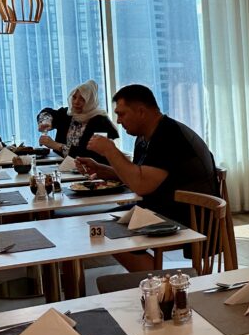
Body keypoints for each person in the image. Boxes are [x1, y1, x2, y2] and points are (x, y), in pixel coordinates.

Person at [77, 84, 218, 271]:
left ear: (141, 112)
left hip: (191, 216)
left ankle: (161, 284)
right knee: (101, 226)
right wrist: (103, 169)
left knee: (107, 231)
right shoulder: (145, 137)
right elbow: (139, 174)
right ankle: (157, 281)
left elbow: (141, 185)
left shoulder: (168, 136)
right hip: (166, 207)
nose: (118, 121)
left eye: (122, 114)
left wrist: (110, 150)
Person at [36, 80, 118, 161]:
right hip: (63, 168)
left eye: (82, 99)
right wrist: (45, 122)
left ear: (91, 102)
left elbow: (93, 155)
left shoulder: (101, 122)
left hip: (91, 171)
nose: (76, 102)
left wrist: (57, 146)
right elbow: (48, 112)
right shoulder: (68, 114)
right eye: (74, 97)